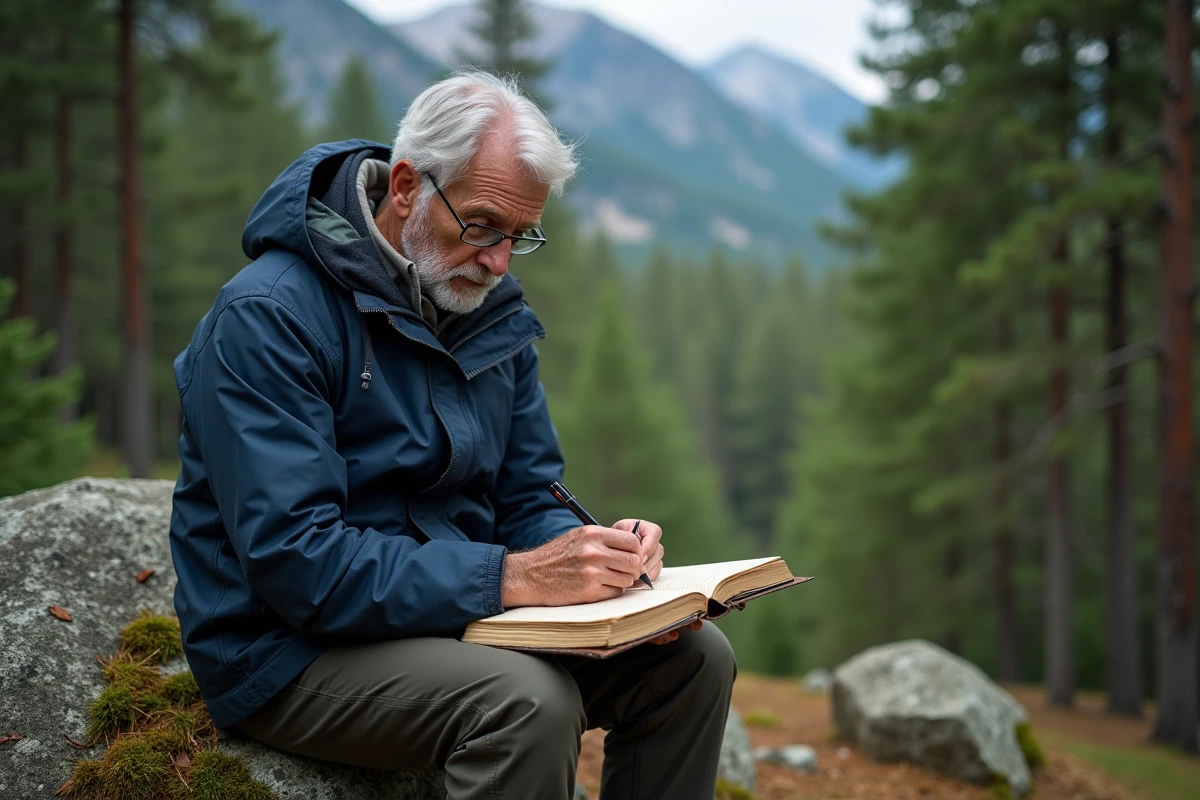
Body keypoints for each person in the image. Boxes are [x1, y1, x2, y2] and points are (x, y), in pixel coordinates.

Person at [168, 71, 735, 799]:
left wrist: (604, 570)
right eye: (480, 226)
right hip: (290, 648)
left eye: (519, 237)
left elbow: (527, 493)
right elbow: (298, 563)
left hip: (450, 620)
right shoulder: (268, 317)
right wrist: (513, 577)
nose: (498, 261)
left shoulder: (486, 309)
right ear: (405, 186)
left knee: (693, 663)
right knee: (527, 703)